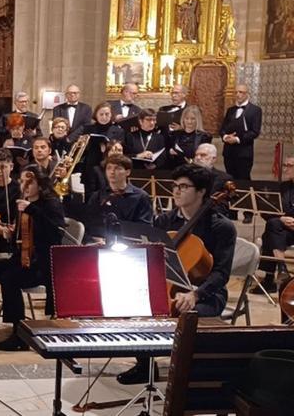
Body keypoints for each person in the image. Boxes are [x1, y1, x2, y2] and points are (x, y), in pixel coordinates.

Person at [117, 164, 235, 385]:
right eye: (175, 186)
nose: (177, 191)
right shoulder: (165, 221)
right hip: (168, 286)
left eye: (184, 186)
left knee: (184, 316)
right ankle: (145, 365)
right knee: (135, 305)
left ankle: (189, 371)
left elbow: (221, 273)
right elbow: (154, 260)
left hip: (208, 294)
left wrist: (195, 294)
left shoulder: (221, 227)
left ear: (201, 192)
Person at [0, 165, 65, 351]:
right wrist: (9, 234)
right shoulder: (22, 203)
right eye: (22, 181)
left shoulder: (51, 204)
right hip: (23, 259)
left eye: (30, 181)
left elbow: (55, 234)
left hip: (43, 265)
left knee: (9, 278)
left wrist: (32, 210)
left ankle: (19, 333)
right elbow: (22, 239)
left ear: (40, 183)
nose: (25, 186)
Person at [84, 154, 153, 239]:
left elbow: (144, 228)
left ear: (128, 172)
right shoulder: (97, 196)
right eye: (109, 168)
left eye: (117, 168)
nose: (112, 172)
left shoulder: (141, 197)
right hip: (101, 243)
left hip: (131, 245)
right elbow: (90, 224)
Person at [220, 84, 262, 223]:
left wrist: (237, 139)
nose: (238, 94)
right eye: (236, 92)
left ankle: (248, 212)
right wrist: (226, 137)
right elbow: (223, 128)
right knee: (230, 182)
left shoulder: (255, 110)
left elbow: (254, 132)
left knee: (244, 181)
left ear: (247, 93)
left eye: (241, 92)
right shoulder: (231, 110)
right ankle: (232, 211)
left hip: (244, 152)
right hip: (229, 152)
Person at [254, 155, 294, 293]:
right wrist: (281, 219)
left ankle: (269, 280)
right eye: (285, 165)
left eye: (290, 166)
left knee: (270, 233)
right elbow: (267, 210)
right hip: (284, 231)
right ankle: (281, 268)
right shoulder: (282, 187)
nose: (286, 169)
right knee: (273, 225)